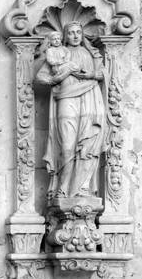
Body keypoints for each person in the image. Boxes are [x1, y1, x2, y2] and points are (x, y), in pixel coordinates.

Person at [36, 22, 107, 199]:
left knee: (87, 144)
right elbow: (40, 77)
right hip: (66, 97)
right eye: (71, 33)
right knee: (67, 145)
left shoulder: (88, 53)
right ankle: (63, 187)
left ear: (82, 35)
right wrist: (55, 79)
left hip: (90, 97)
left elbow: (102, 73)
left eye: (78, 32)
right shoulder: (59, 54)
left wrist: (90, 75)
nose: (75, 36)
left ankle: (83, 188)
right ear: (64, 36)